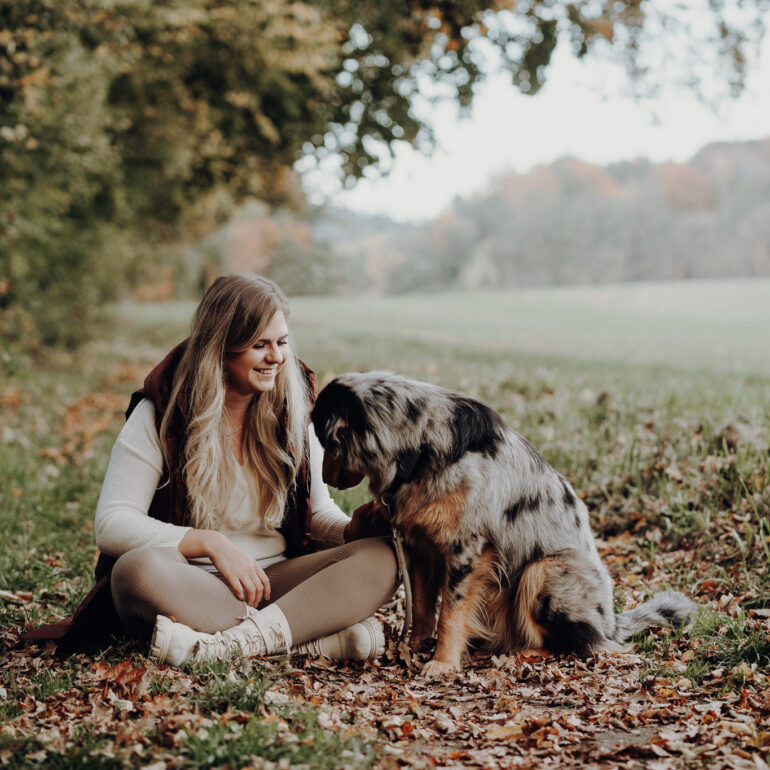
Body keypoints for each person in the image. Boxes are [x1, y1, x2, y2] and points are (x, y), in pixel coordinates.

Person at [30, 274, 399, 665]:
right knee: (134, 572)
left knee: (383, 555)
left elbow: (317, 514)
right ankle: (306, 637)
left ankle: (230, 645)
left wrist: (350, 531)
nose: (276, 357)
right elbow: (112, 524)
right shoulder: (163, 411)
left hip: (276, 581)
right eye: (260, 345)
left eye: (282, 342)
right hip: (190, 584)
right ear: (221, 347)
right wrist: (209, 543)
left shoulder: (293, 409)